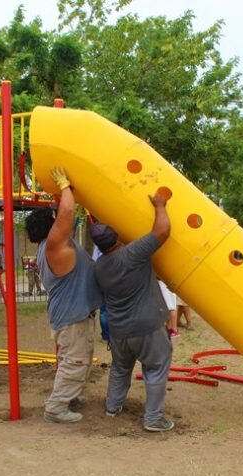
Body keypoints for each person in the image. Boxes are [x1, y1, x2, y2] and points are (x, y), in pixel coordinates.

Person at [24, 168, 103, 424]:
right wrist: (63, 185)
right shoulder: (55, 246)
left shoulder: (51, 246)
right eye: (54, 218)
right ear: (51, 226)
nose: (59, 217)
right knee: (75, 360)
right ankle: (56, 408)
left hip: (73, 313)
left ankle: (71, 395)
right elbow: (67, 213)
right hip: (71, 316)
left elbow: (66, 214)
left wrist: (64, 192)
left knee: (78, 358)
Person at [92, 190, 174, 432]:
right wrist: (160, 205)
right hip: (146, 326)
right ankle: (153, 418)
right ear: (117, 237)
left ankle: (112, 407)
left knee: (120, 368)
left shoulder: (99, 268)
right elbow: (162, 231)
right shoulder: (133, 253)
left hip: (119, 330)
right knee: (157, 366)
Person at [91, 246, 110, 342]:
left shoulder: (98, 246)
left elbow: (94, 261)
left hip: (102, 277)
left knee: (103, 310)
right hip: (114, 276)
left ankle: (106, 335)